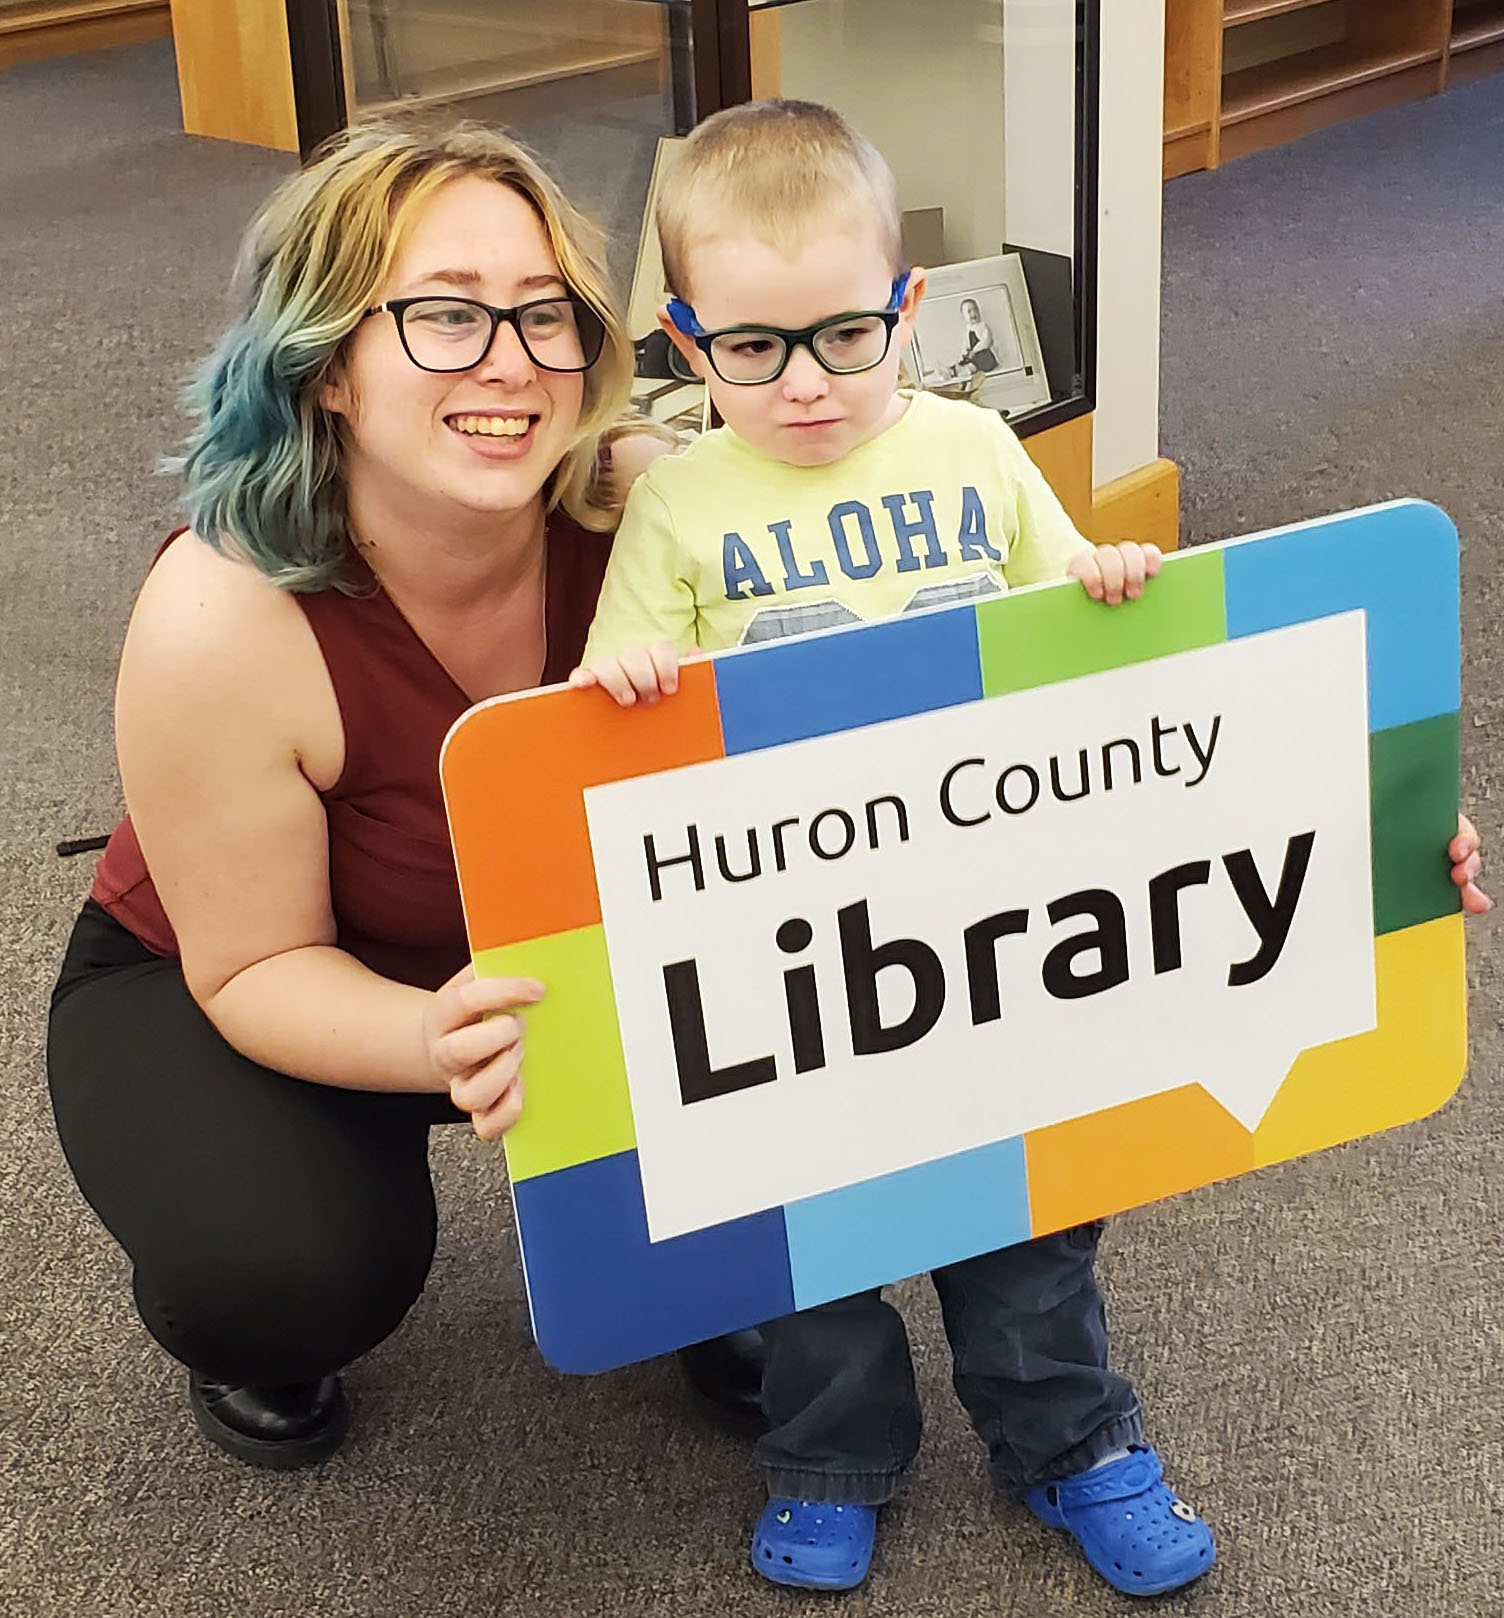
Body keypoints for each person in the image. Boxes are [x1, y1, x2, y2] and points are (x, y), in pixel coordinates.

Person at [572, 98, 1492, 1597]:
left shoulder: (977, 447)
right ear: (685, 337)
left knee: (1032, 1219)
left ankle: (1069, 1441)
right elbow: (618, 730)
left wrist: (1109, 576)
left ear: (909, 310)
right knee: (818, 1246)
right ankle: (831, 1454)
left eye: (845, 336)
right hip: (801, 962)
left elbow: (1084, 648)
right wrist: (627, 685)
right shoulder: (678, 505)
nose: (803, 383)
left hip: (1008, 934)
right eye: (751, 347)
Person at [43, 116, 758, 1473]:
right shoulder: (221, 613)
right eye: (444, 315)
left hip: (554, 952)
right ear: (324, 369)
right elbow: (254, 960)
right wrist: (434, 1042)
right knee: (291, 1268)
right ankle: (265, 1304)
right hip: (253, 965)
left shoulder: (651, 516)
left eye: (545, 316)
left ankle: (710, 1273)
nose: (511, 361)